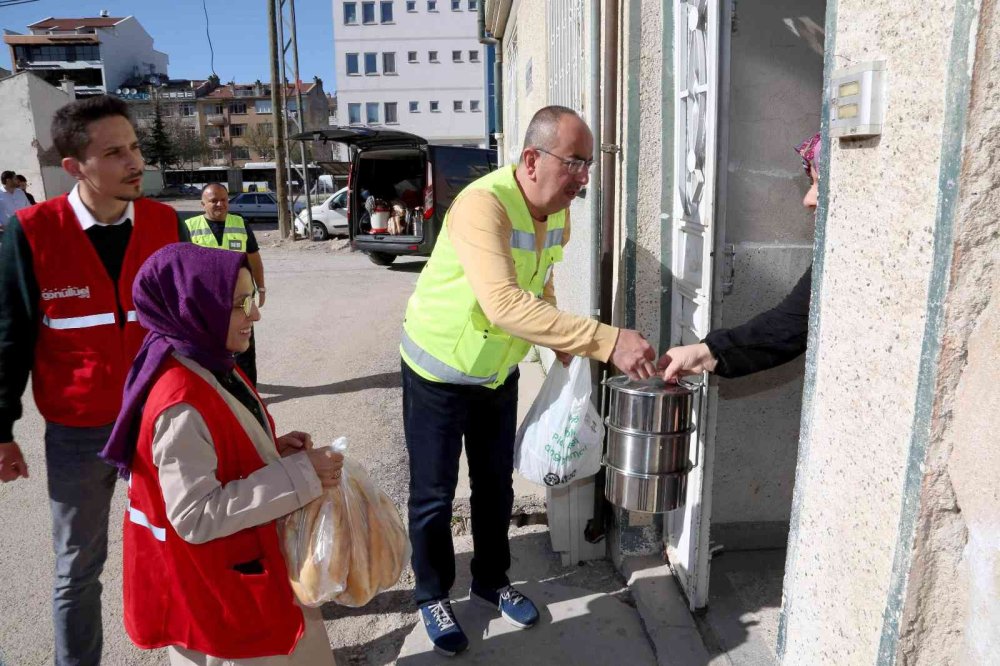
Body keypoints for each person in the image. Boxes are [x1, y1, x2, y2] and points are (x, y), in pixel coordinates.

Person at [399, 105, 657, 656]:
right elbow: (503, 302)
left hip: (495, 371)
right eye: (574, 164)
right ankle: (431, 594)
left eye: (588, 164)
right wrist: (603, 340)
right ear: (533, 159)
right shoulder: (481, 206)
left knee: (496, 486)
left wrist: (562, 341)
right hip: (439, 369)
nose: (583, 178)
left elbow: (538, 284)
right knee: (434, 494)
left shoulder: (556, 210)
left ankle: (492, 582)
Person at [0, 94, 190, 666]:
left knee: (184, 544)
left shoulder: (164, 222)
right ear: (74, 168)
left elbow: (190, 325)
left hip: (162, 423)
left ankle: (201, 648)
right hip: (78, 431)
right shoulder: (32, 231)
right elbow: (10, 333)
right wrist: (2, 428)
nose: (134, 162)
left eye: (134, 147)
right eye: (114, 153)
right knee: (77, 567)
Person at [100, 243, 342, 665]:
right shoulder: (180, 401)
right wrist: (302, 474)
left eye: (254, 298)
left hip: (235, 576)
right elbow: (196, 515)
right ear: (194, 306)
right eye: (239, 304)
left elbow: (219, 444)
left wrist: (268, 450)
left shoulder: (207, 361)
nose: (255, 315)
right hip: (222, 599)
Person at [658, 132, 820, 380]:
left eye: (820, 185)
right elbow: (789, 326)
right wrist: (707, 354)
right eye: (811, 183)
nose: (807, 200)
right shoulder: (831, 262)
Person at [185, 183, 266, 385]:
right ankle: (216, 389)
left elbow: (254, 258)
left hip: (242, 299)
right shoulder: (189, 227)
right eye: (214, 200)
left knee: (244, 348)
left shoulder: (240, 223)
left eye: (224, 199)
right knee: (209, 347)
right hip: (207, 302)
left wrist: (261, 286)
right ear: (203, 203)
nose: (220, 204)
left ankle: (248, 392)